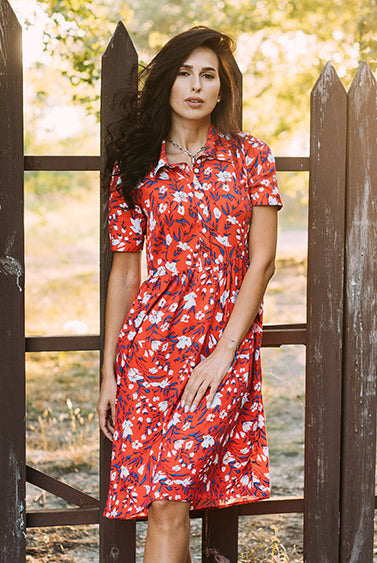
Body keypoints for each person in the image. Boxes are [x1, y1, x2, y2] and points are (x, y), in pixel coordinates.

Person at [96, 25, 282, 563]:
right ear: (167, 84)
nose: (196, 86)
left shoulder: (250, 157)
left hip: (222, 351)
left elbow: (262, 262)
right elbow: (126, 272)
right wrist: (109, 370)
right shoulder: (137, 165)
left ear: (223, 89)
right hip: (151, 352)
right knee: (163, 505)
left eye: (209, 76)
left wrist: (225, 353)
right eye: (184, 74)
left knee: (172, 496)